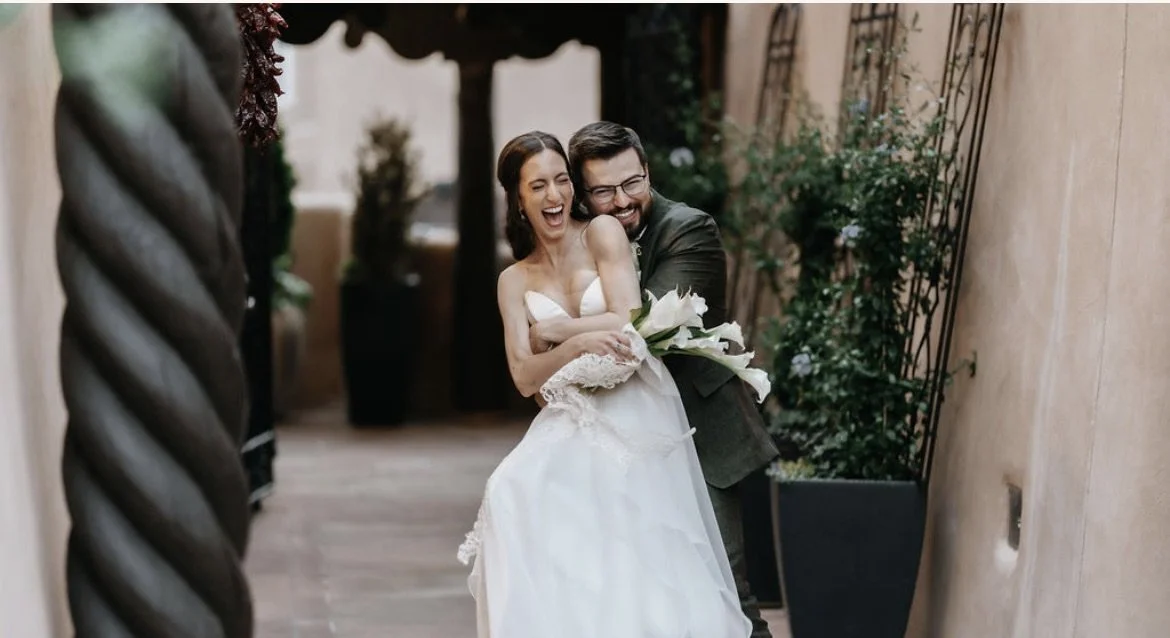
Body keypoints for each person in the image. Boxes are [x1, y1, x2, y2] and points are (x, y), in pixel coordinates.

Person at [458, 131, 752, 638]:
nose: (554, 197)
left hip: (635, 404)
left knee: (646, 562)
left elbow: (627, 318)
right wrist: (573, 349)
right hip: (569, 415)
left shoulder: (601, 233)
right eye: (538, 186)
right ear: (518, 198)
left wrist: (555, 332)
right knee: (510, 494)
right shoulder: (512, 281)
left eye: (561, 181)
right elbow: (524, 376)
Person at [564, 121, 780, 638]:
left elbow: (644, 327)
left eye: (632, 182)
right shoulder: (578, 242)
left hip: (703, 435)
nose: (621, 201)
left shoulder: (689, 229)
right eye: (603, 191)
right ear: (582, 193)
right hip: (627, 439)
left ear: (647, 170)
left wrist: (560, 330)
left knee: (727, 592)